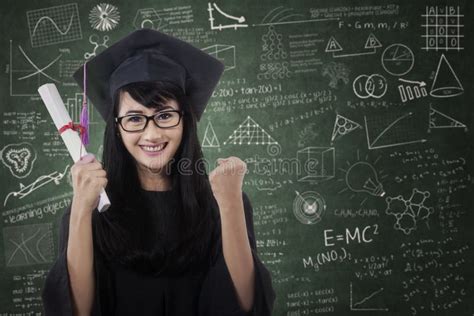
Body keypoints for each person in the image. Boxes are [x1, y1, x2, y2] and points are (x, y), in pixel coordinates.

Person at [41, 29, 276, 316]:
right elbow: (75, 311)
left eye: (165, 115)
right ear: (116, 126)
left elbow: (247, 305)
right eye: (135, 118)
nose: (151, 134)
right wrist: (80, 208)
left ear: (185, 120)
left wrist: (230, 203)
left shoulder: (222, 202)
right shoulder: (90, 208)